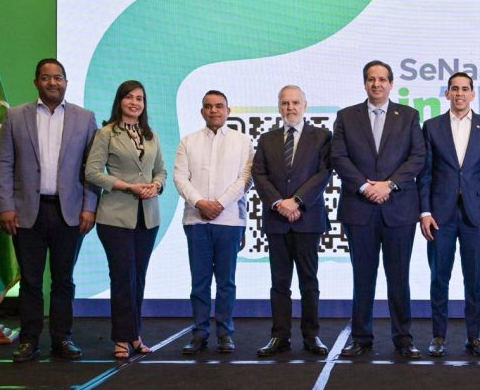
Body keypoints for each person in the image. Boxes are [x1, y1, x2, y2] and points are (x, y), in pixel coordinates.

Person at [0, 58, 98, 362]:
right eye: (46, 77)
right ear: (36, 82)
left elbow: (91, 168)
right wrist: (5, 206)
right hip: (26, 211)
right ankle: (29, 340)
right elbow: (4, 163)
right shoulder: (15, 116)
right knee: (30, 280)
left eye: (58, 77)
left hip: (69, 212)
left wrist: (89, 207)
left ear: (66, 82)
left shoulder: (85, 118)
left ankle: (62, 338)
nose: (52, 82)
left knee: (63, 279)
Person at [331, 60, 426, 358]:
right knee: (363, 278)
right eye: (371, 79)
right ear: (365, 83)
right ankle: (361, 338)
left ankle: (403, 339)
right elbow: (339, 157)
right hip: (359, 209)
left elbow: (417, 156)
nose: (377, 84)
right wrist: (364, 186)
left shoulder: (408, 116)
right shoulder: (346, 116)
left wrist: (389, 185)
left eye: (382, 79)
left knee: (399, 278)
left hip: (398, 210)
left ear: (391, 83)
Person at [417, 72, 480, 357]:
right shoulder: (431, 126)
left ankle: (474, 337)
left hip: (476, 216)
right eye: (454, 89)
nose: (459, 93)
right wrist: (424, 212)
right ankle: (438, 336)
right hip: (439, 216)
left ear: (473, 94)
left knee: (474, 279)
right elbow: (425, 175)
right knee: (438, 278)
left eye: (465, 89)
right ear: (447, 94)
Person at [85, 80, 166, 359]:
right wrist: (127, 186)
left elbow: (161, 171)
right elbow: (92, 172)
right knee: (122, 277)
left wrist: (156, 185)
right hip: (115, 218)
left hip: (148, 217)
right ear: (119, 101)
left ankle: (134, 335)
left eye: (140, 98)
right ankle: (121, 338)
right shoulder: (106, 133)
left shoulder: (151, 135)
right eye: (129, 97)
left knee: (138, 278)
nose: (135, 103)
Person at [253, 85, 332, 357]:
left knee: (309, 282)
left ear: (305, 105)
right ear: (279, 107)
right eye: (285, 103)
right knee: (279, 283)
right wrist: (279, 203)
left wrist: (297, 201)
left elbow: (324, 173)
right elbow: (259, 175)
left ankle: (311, 336)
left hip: (307, 220)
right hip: (277, 221)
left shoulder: (322, 137)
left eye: (295, 102)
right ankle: (279, 336)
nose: (290, 108)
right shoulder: (266, 139)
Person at [174, 90, 253, 355]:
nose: (214, 110)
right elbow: (180, 178)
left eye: (219, 106)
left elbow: (245, 179)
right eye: (208, 106)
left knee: (226, 282)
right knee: (199, 281)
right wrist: (200, 203)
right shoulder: (188, 141)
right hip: (196, 220)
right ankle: (199, 333)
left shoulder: (243, 141)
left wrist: (219, 203)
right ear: (202, 111)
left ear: (228, 111)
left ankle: (225, 333)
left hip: (229, 220)